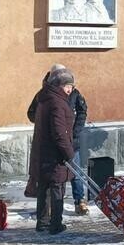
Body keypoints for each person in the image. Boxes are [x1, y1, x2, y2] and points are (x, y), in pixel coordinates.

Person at [27, 65, 89, 215]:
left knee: (76, 173)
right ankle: (52, 219)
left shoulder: (74, 93)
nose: (69, 88)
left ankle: (79, 200)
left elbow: (82, 111)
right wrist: (45, 126)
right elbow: (32, 114)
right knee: (54, 181)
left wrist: (74, 132)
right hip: (56, 144)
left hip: (71, 140)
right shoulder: (45, 96)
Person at [31, 66, 76, 234]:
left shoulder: (44, 98)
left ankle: (42, 222)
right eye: (68, 86)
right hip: (55, 154)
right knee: (57, 188)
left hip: (43, 151)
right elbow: (59, 132)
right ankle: (56, 224)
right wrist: (68, 153)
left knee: (44, 187)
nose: (70, 89)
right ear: (60, 86)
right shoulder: (57, 103)